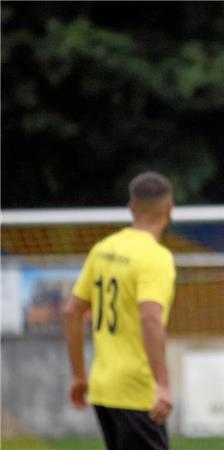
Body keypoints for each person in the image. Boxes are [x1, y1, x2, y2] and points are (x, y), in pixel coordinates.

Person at [64, 171, 176, 450]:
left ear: (131, 208)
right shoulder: (155, 257)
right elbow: (151, 319)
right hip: (137, 391)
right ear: (169, 208)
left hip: (103, 388)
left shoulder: (103, 249)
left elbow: (71, 311)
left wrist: (79, 376)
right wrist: (162, 384)